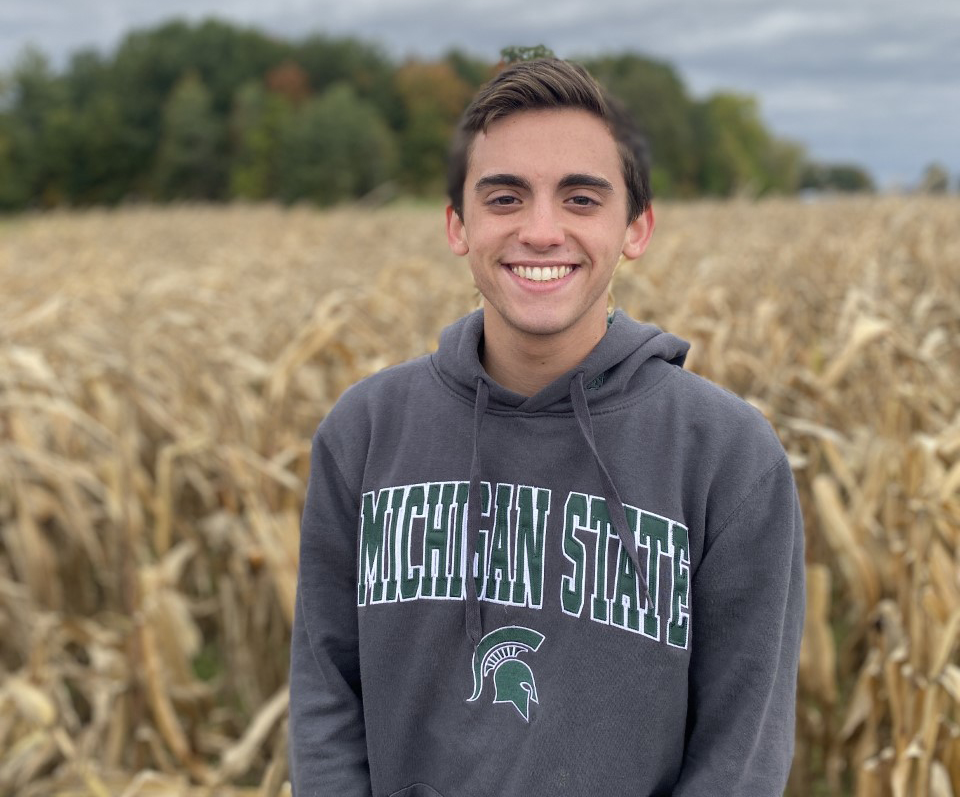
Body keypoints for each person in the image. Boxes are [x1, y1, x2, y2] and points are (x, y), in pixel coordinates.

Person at [289, 58, 805, 797]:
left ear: (636, 228)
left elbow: (743, 753)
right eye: (505, 197)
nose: (540, 231)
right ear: (457, 226)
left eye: (581, 198)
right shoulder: (366, 435)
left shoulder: (726, 458)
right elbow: (325, 703)